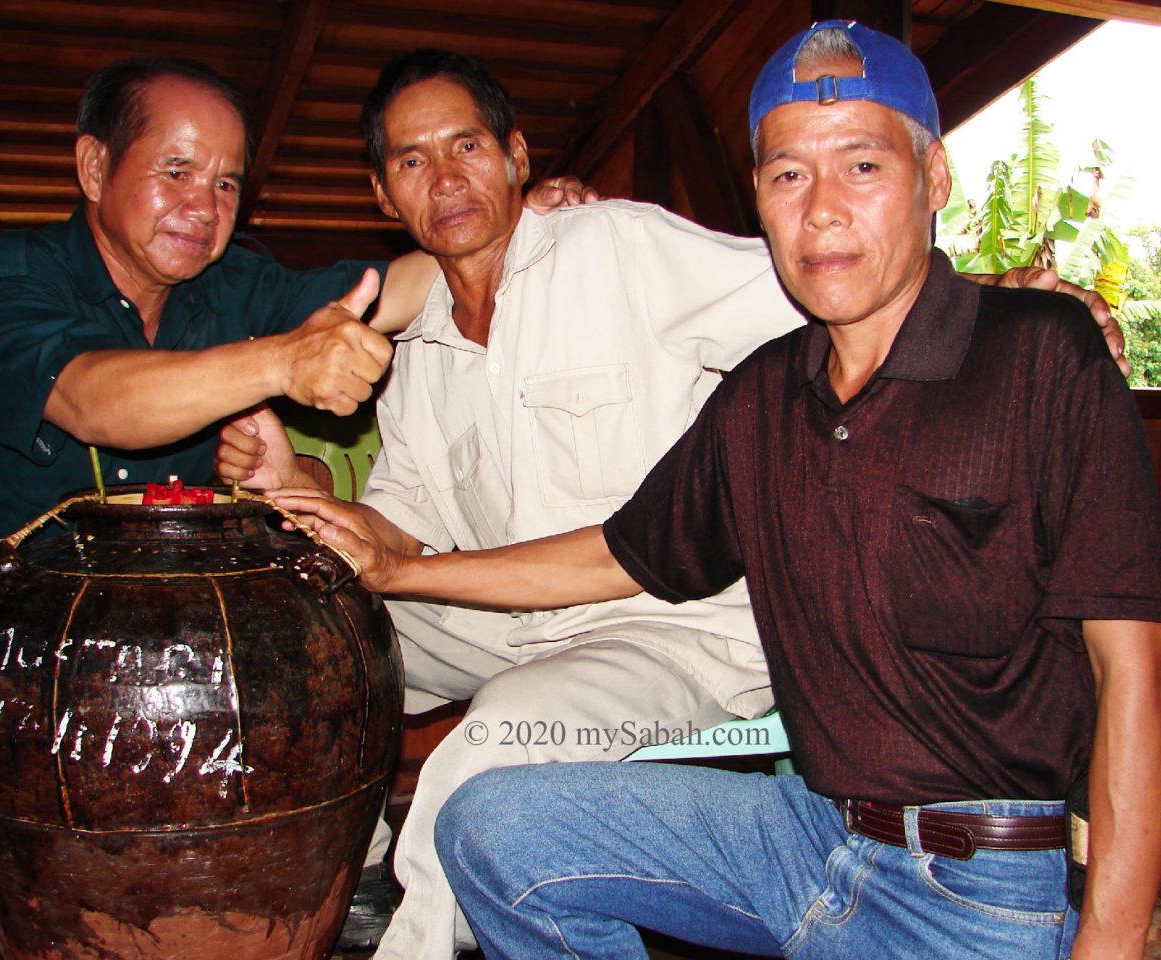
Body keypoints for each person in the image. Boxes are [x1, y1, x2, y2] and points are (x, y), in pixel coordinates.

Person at [224, 47, 1132, 960]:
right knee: (322, 637)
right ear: (385, 192)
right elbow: (418, 530)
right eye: (413, 162)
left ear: (517, 156)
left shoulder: (618, 248)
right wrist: (310, 498)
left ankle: (414, 942)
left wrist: (996, 306)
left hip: (670, 624)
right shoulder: (426, 346)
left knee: (487, 749)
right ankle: (345, 870)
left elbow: (816, 274)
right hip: (560, 631)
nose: (446, 178)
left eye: (466, 146)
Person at [0, 56, 580, 959]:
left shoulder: (231, 286)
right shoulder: (11, 276)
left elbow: (395, 289)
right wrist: (282, 363)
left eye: (224, 183)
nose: (203, 206)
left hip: (120, 614)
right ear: (96, 169)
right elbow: (94, 399)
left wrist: (516, 227)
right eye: (174, 172)